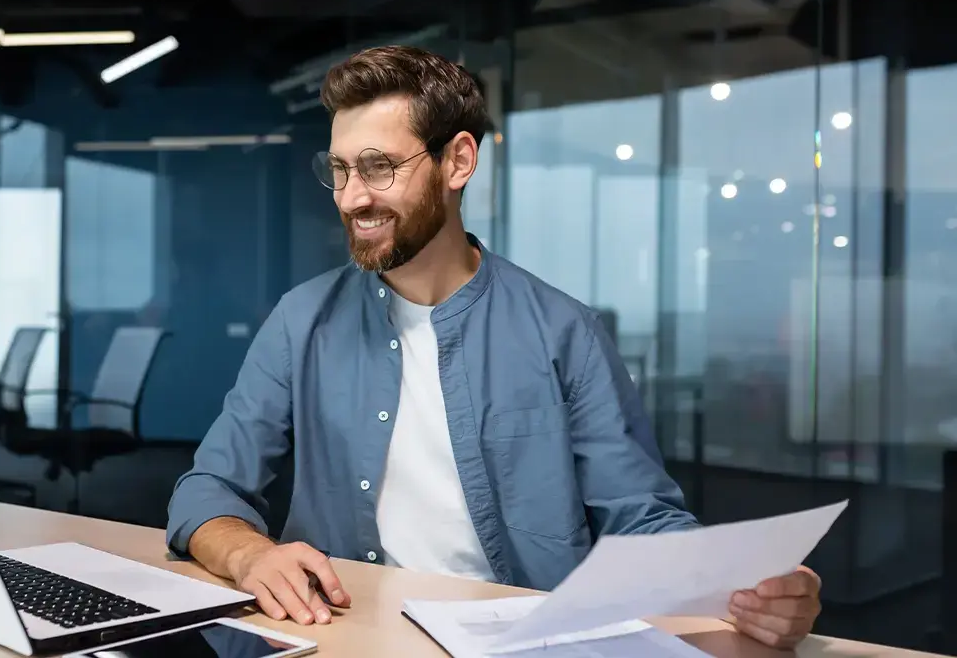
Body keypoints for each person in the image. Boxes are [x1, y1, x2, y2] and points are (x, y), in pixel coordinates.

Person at [166, 45, 821, 649]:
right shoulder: (301, 321)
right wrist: (251, 554)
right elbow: (208, 491)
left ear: (458, 161)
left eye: (379, 167)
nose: (352, 197)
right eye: (338, 170)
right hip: (348, 634)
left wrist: (751, 588)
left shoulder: (565, 332)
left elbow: (641, 520)